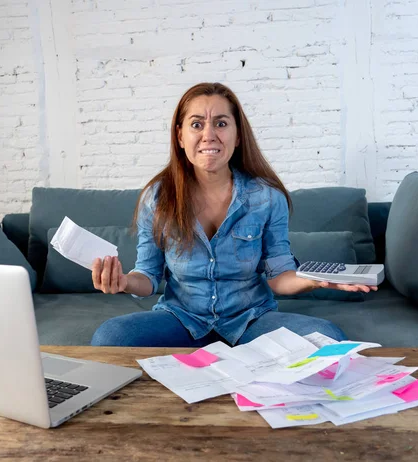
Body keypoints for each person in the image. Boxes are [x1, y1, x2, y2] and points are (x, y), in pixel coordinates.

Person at [90, 82, 376, 348]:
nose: (208, 135)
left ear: (237, 136)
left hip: (251, 320)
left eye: (221, 123)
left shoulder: (266, 197)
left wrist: (317, 279)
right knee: (110, 337)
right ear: (180, 136)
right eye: (197, 124)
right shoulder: (157, 197)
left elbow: (279, 276)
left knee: (328, 338)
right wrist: (124, 281)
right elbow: (149, 276)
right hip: (181, 320)